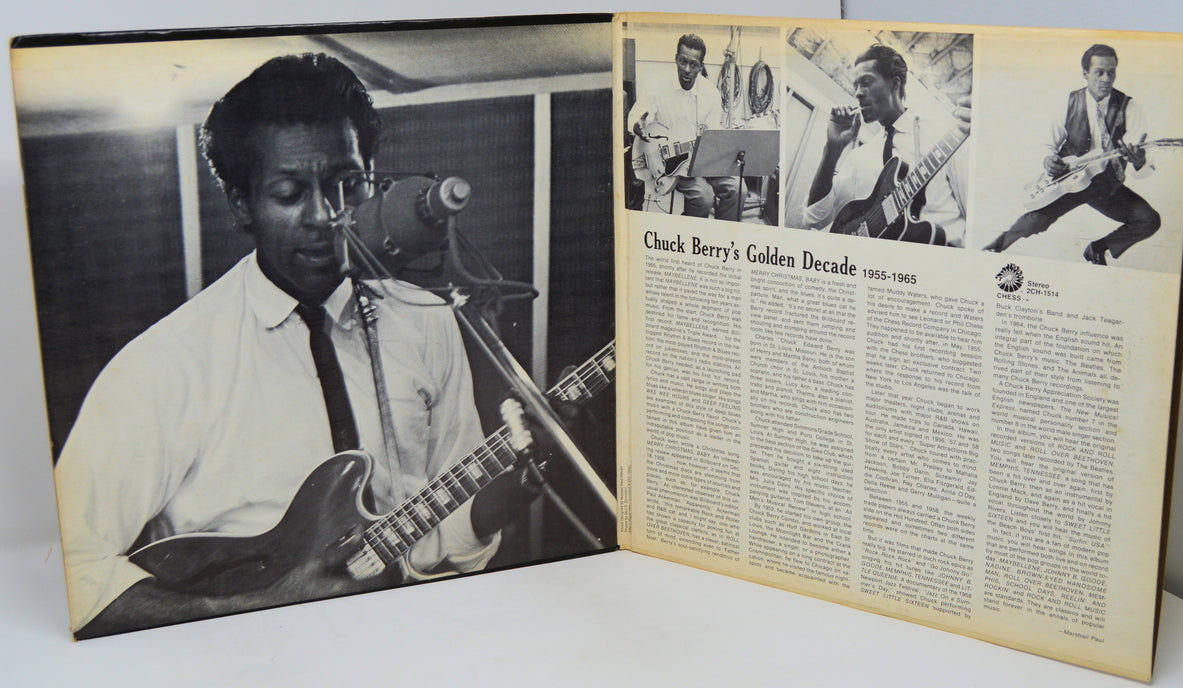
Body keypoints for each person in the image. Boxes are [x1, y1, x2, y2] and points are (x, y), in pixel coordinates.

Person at [55, 54, 537, 638]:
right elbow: (69, 573)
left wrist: (502, 497)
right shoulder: (162, 367)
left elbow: (448, 535)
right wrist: (252, 613)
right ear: (241, 205)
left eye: (346, 185)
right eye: (288, 193)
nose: (326, 217)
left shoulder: (428, 319)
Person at [984, 44, 1158, 264]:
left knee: (1149, 220)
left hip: (1106, 186)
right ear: (1085, 73)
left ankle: (1097, 249)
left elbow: (1145, 167)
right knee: (1035, 222)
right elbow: (1047, 144)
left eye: (1111, 72)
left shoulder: (1130, 109)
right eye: (1099, 72)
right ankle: (994, 248)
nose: (1106, 79)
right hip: (1069, 180)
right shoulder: (1067, 103)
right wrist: (1049, 160)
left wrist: (1139, 161)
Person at [802, 44, 970, 247]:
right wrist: (832, 150)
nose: (858, 93)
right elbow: (814, 217)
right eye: (855, 86)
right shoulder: (859, 157)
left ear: (894, 83)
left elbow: (974, 213)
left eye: (866, 82)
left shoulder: (942, 135)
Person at [627, 33, 741, 219]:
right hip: (670, 163)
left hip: (704, 161)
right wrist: (638, 124)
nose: (687, 69)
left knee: (738, 189)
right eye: (682, 61)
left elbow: (712, 138)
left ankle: (722, 238)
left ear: (701, 66)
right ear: (675, 59)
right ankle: (689, 235)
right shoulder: (657, 85)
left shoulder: (711, 94)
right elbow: (636, 116)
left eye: (694, 65)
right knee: (704, 197)